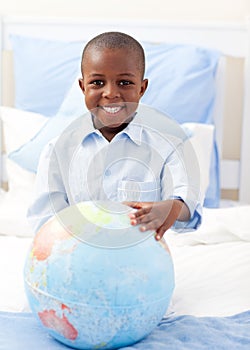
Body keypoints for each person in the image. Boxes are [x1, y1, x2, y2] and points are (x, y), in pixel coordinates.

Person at [27, 31, 202, 240]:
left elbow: (187, 209)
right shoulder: (58, 150)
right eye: (98, 83)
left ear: (142, 88)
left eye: (125, 83)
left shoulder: (167, 148)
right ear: (83, 87)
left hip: (141, 263)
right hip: (76, 260)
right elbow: (45, 221)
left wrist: (171, 208)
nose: (110, 93)